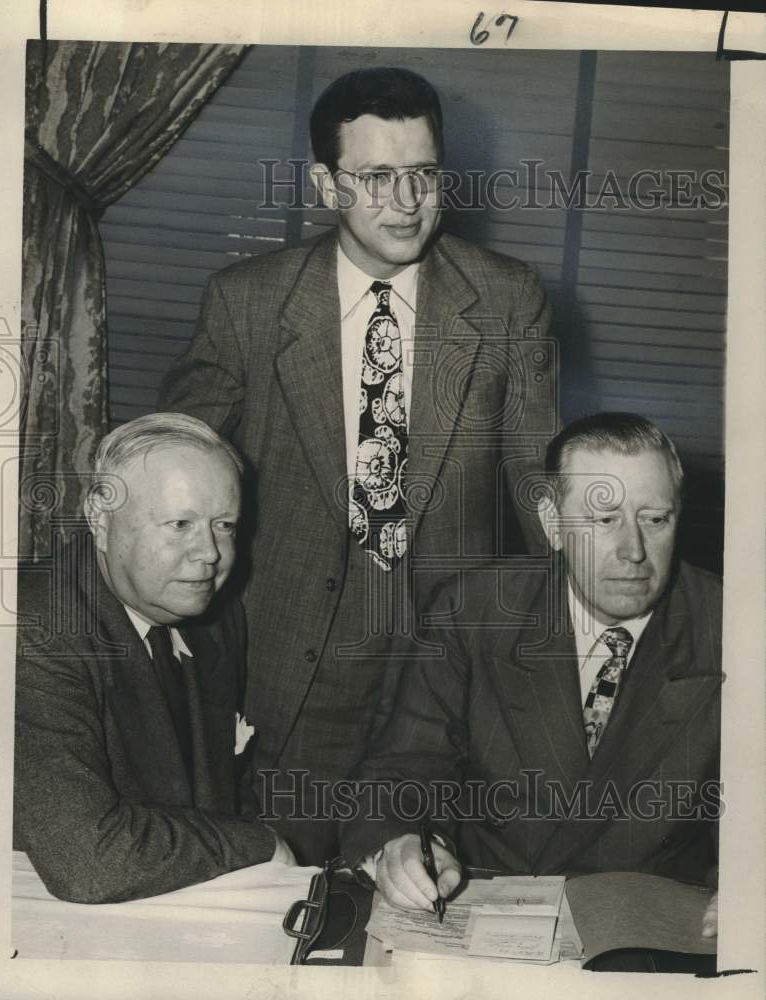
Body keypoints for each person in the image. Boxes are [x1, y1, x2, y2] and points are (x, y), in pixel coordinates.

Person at [158, 66, 555, 863]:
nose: (406, 203)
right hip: (288, 676)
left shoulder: (509, 302)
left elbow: (542, 493)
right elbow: (173, 469)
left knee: (417, 902)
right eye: (377, 177)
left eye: (424, 174)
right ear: (325, 184)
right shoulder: (248, 302)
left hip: (441, 675)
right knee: (276, 903)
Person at [341, 412, 721, 940]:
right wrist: (401, 842)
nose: (634, 551)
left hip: (649, 923)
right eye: (604, 520)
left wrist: (749, 877)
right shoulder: (470, 610)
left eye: (655, 519)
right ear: (552, 522)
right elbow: (404, 767)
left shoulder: (734, 625)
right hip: (487, 904)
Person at [14, 413, 294, 904]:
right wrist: (263, 844)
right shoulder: (33, 625)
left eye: (224, 525)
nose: (209, 553)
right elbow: (88, 862)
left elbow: (222, 800)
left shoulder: (214, 618)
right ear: (100, 519)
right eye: (180, 524)